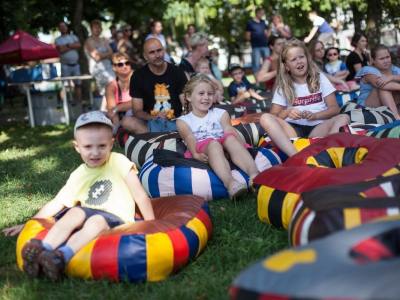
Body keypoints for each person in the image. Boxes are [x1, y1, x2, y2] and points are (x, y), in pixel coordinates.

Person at [2, 111, 155, 281]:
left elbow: (140, 195)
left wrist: (152, 223)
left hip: (115, 218)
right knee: (73, 213)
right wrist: (30, 222)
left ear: (111, 144)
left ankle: (61, 256)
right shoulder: (78, 174)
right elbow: (58, 202)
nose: (95, 153)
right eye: (88, 147)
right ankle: (42, 249)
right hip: (88, 212)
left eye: (102, 146)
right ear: (77, 147)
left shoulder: (118, 161)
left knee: (95, 221)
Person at [259, 39, 350, 157]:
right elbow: (274, 115)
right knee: (265, 118)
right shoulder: (283, 86)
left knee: (344, 117)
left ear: (307, 58)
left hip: (318, 127)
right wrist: (287, 112)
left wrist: (316, 115)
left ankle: (326, 153)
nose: (298, 62)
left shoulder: (320, 78)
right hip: (293, 129)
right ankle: (296, 156)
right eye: (293, 59)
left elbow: (334, 109)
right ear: (287, 66)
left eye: (301, 57)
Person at [177, 74, 259, 199]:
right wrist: (195, 154)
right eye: (201, 93)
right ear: (188, 97)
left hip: (224, 143)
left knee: (230, 138)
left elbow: (229, 129)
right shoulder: (184, 121)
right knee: (213, 144)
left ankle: (255, 176)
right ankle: (231, 184)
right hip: (204, 147)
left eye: (209, 94)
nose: (206, 97)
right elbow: (190, 138)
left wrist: (240, 144)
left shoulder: (221, 113)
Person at [125, 38, 188, 134]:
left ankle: (160, 137)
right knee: (127, 122)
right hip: (150, 122)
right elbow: (137, 111)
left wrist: (182, 116)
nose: (157, 55)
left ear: (164, 51)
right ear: (145, 56)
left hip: (176, 121)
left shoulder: (177, 72)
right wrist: (153, 117)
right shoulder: (138, 76)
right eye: (152, 52)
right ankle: (163, 137)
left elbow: (186, 103)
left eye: (159, 50)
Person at [355, 44, 400, 119]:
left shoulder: (393, 68)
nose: (386, 61)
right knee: (383, 87)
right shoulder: (368, 70)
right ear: (373, 60)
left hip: (386, 105)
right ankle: (396, 119)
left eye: (387, 57)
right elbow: (384, 85)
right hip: (366, 107)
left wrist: (392, 77)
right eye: (381, 59)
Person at [84, 20, 115, 100]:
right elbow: (96, 57)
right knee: (111, 88)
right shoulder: (89, 41)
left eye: (99, 27)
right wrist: (106, 54)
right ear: (91, 29)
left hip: (109, 68)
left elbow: (111, 53)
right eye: (96, 27)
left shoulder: (104, 39)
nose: (98, 29)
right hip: (98, 69)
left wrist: (102, 55)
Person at [105, 52, 134, 131]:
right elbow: (111, 111)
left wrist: (117, 108)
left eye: (127, 63)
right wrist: (117, 128)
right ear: (114, 67)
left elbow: (138, 102)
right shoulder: (111, 86)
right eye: (120, 64)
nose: (124, 66)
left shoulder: (138, 79)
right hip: (122, 121)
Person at [54, 21, 82, 103]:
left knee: (78, 84)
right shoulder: (57, 40)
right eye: (61, 26)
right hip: (65, 65)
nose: (63, 28)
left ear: (67, 27)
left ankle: (78, 102)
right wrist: (71, 46)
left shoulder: (73, 37)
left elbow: (78, 45)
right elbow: (60, 50)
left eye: (64, 26)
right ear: (59, 29)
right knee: (65, 85)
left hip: (76, 65)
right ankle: (64, 103)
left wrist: (66, 46)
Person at [245, 7, 270, 75]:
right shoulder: (250, 23)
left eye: (263, 13)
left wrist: (269, 29)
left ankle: (266, 79)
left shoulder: (263, 22)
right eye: (261, 13)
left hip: (265, 46)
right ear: (257, 13)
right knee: (256, 64)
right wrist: (253, 40)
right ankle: (257, 82)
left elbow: (267, 35)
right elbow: (247, 36)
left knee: (267, 62)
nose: (262, 14)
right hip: (255, 46)